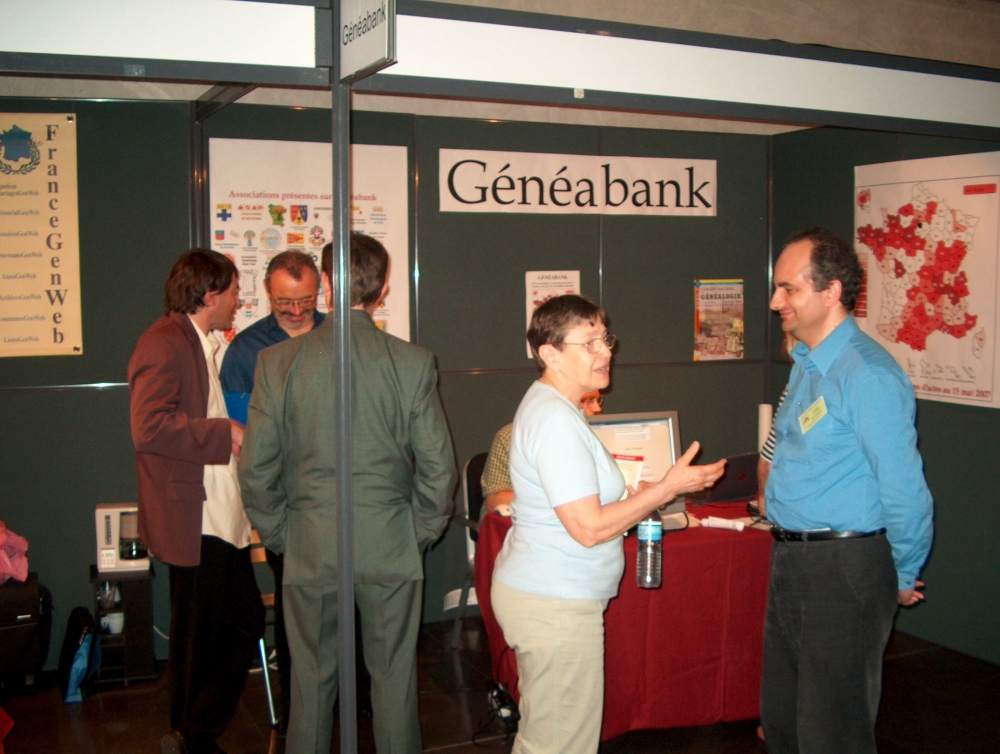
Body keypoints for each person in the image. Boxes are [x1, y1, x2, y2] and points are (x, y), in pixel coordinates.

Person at [238, 233, 456, 754]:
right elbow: (438, 471)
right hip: (389, 542)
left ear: (327, 284)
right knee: (394, 685)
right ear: (383, 289)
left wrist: (284, 535)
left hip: (311, 544)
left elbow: (255, 469)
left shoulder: (278, 362)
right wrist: (414, 534)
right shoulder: (413, 362)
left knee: (310, 689)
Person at [491, 294, 726, 753]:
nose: (606, 352)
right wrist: (665, 489)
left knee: (551, 738)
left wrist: (646, 494)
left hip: (550, 595)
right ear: (549, 353)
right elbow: (589, 528)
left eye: (606, 339)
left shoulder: (557, 409)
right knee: (558, 744)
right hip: (554, 601)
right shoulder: (555, 419)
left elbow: (585, 509)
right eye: (590, 342)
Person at [762, 228, 934, 753]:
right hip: (793, 561)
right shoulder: (808, 367)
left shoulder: (867, 376)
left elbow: (906, 491)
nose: (775, 302)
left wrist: (900, 573)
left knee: (832, 734)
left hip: (845, 569)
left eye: (788, 289)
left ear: (831, 292)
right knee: (785, 725)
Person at [128, 249, 264, 754]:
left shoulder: (199, 341)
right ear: (211, 295)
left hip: (218, 516)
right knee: (198, 639)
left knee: (237, 621)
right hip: (195, 518)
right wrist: (222, 430)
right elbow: (148, 427)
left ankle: (190, 734)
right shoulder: (162, 343)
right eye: (233, 291)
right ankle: (191, 735)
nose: (238, 300)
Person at [218, 249, 324, 729]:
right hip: (285, 501)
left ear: (319, 290)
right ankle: (298, 701)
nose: (297, 312)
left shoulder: (338, 335)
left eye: (305, 301)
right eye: (285, 303)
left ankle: (352, 698)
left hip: (339, 493)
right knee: (293, 601)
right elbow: (246, 437)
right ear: (268, 294)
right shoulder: (246, 350)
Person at [481, 390, 603, 520]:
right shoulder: (512, 437)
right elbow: (494, 500)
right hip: (517, 525)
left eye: (598, 400)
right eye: (589, 400)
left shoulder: (598, 435)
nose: (598, 408)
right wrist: (562, 501)